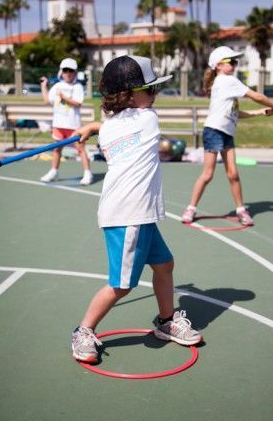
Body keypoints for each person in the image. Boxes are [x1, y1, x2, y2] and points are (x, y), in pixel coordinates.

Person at [71, 55, 203, 363]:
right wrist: (96, 125)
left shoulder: (109, 128)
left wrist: (93, 125)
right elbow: (120, 121)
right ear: (129, 94)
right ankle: (83, 330)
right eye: (150, 89)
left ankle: (166, 320)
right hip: (128, 215)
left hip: (134, 213)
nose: (154, 96)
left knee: (165, 264)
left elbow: (112, 123)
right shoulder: (147, 119)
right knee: (121, 285)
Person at [182, 46, 273, 226]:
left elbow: (235, 113)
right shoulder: (227, 81)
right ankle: (190, 208)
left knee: (233, 174)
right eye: (231, 61)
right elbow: (257, 95)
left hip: (226, 133)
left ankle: (240, 210)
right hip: (214, 131)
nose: (234, 64)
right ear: (218, 66)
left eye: (235, 61)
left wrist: (262, 112)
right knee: (208, 174)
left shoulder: (225, 83)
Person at [40, 58, 93, 185]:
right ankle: (54, 171)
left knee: (80, 149)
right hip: (58, 125)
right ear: (61, 72)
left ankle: (87, 173)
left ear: (75, 72)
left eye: (71, 70)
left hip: (73, 125)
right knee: (57, 150)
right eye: (65, 70)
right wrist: (43, 86)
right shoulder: (57, 86)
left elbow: (78, 103)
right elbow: (47, 101)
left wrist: (63, 96)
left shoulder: (78, 87)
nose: (68, 73)